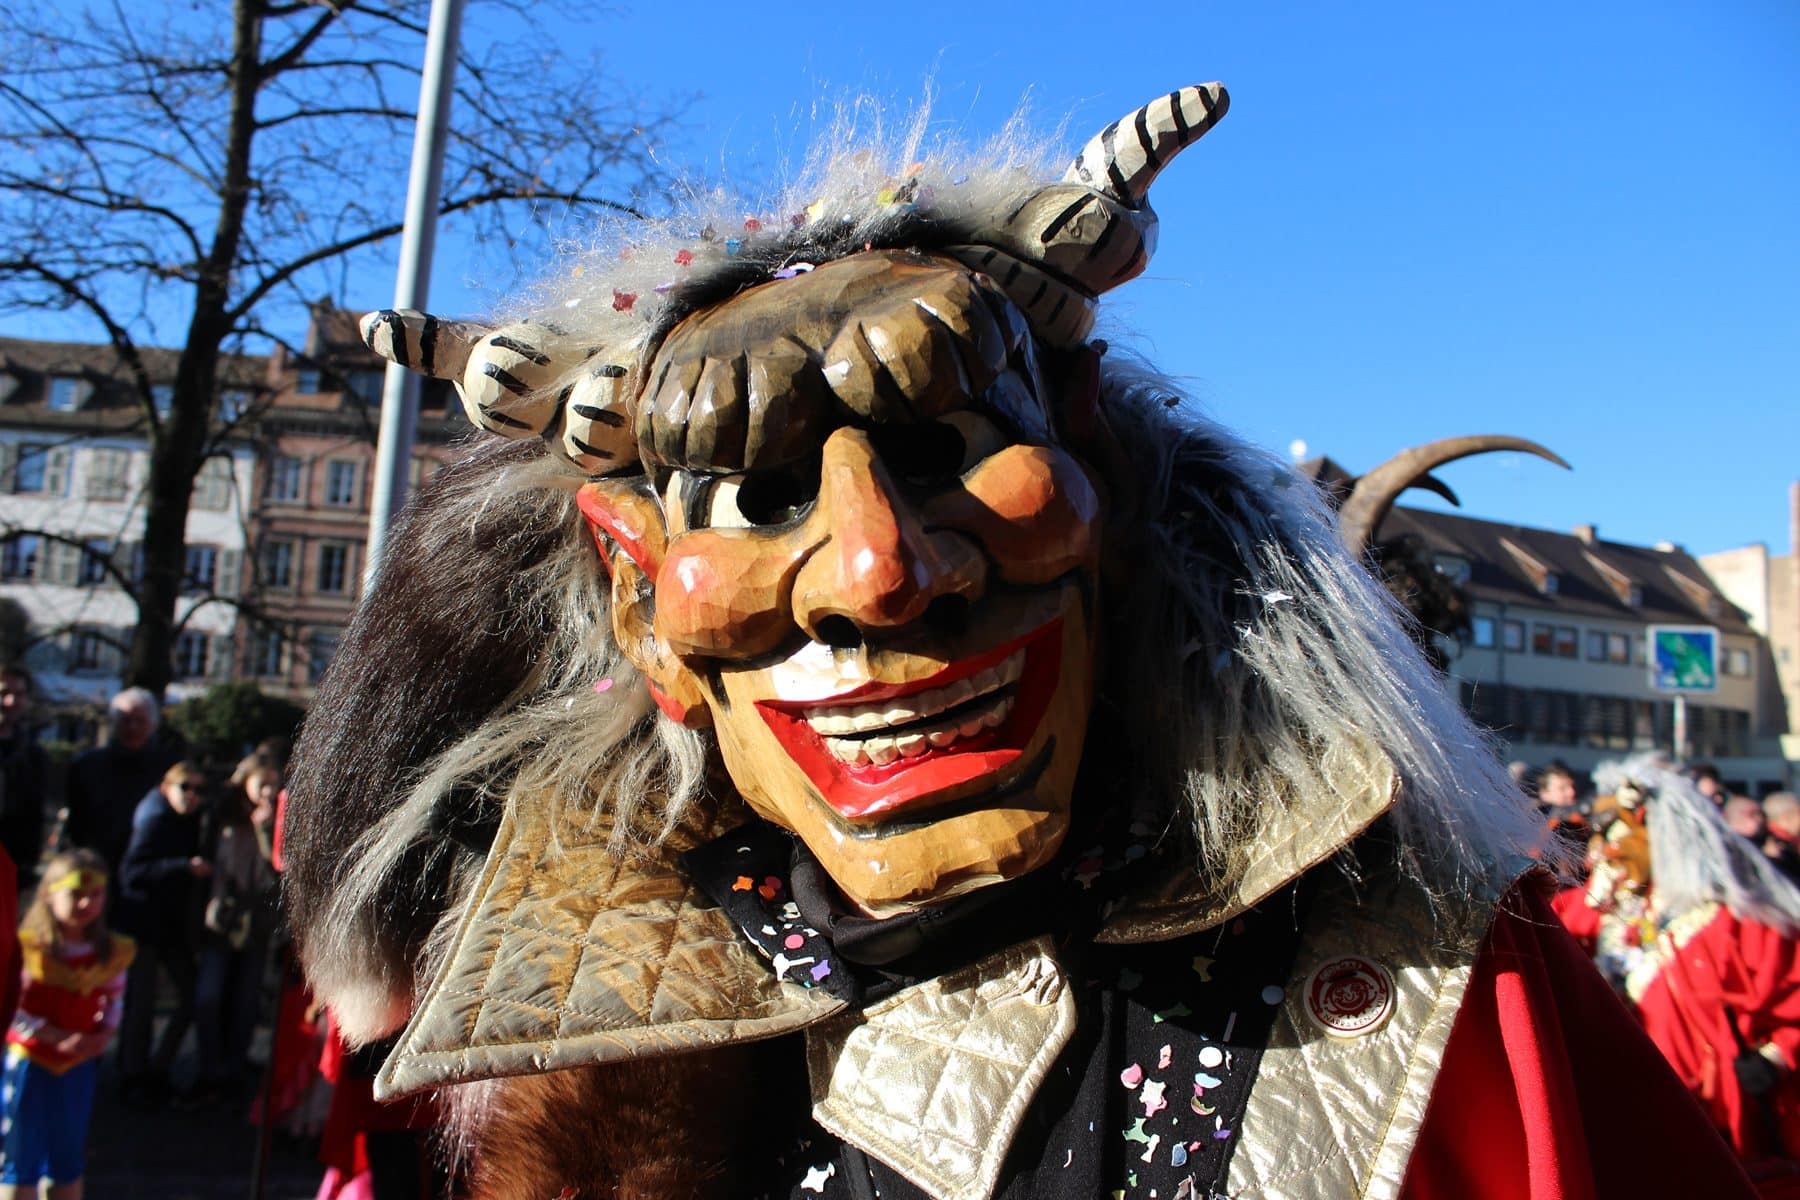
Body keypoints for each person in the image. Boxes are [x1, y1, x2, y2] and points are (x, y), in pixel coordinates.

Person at [282, 85, 1751, 1196]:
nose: (877, 572)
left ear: (1097, 478)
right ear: (639, 601)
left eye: (945, 449)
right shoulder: (557, 1078)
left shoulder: (1444, 972)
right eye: (763, 493)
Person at [1, 848, 133, 1200]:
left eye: (95, 895)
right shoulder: (28, 948)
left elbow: (114, 999)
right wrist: (54, 1036)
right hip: (30, 1061)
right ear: (49, 895)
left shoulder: (110, 951)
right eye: (76, 894)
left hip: (77, 1064)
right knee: (21, 1154)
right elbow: (12, 1006)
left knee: (67, 1155)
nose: (86, 903)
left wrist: (102, 1034)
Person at [114, 760, 211, 1107]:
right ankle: (133, 1075)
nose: (193, 796)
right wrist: (182, 867)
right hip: (143, 926)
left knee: (190, 996)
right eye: (186, 787)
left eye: (200, 790)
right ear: (167, 786)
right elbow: (132, 872)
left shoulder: (185, 819)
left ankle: (156, 1068)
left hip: (170, 928)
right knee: (140, 1004)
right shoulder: (154, 818)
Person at [192, 756, 280, 1105]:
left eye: (275, 784)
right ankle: (208, 1066)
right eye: (263, 783)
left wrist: (265, 830)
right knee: (209, 996)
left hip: (257, 921)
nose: (269, 792)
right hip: (223, 918)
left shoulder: (278, 820)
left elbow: (276, 875)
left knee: (246, 999)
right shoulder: (223, 817)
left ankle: (233, 1067)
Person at [62, 689, 178, 891]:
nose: (132, 727)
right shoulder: (87, 766)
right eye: (125, 720)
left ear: (152, 724)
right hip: (98, 865)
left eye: (139, 720)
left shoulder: (170, 769)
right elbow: (75, 823)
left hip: (150, 870)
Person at [0, 665, 48, 884]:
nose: (10, 702)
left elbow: (33, 816)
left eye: (18, 694)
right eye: (3, 693)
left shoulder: (33, 756)